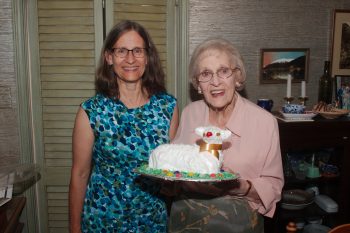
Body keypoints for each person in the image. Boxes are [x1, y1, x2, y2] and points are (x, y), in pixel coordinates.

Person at [69, 20, 179, 233]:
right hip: (102, 219)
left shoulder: (168, 107)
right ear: (109, 57)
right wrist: (74, 228)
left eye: (137, 50)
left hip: (151, 220)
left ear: (147, 57)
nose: (130, 59)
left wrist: (175, 184)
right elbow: (80, 174)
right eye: (121, 51)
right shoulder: (90, 111)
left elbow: (170, 172)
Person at [167, 38, 284, 233]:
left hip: (238, 223)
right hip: (187, 220)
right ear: (198, 84)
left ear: (237, 77)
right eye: (205, 73)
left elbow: (273, 186)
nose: (215, 82)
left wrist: (241, 187)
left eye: (223, 71)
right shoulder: (190, 113)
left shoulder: (264, 122)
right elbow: (176, 165)